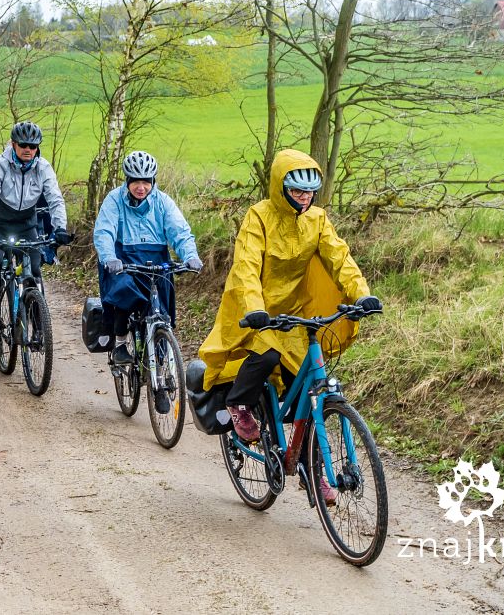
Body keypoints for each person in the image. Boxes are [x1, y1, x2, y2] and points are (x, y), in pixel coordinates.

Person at [197, 149, 381, 502]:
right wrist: (254, 309)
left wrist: (361, 295)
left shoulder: (318, 220)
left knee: (312, 387)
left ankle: (313, 470)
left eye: (309, 193)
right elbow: (246, 267)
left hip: (295, 313)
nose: (304, 199)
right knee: (265, 354)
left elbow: (339, 258)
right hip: (257, 310)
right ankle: (239, 404)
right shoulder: (259, 217)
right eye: (297, 193)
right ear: (280, 188)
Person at [93, 150, 203, 380]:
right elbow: (104, 231)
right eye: (135, 181)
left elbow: (179, 232)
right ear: (127, 181)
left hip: (156, 259)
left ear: (153, 181)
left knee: (162, 313)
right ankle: (121, 342)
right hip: (123, 259)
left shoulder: (163, 202)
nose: (141, 187)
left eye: (146, 182)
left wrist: (190, 256)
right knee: (124, 291)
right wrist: (109, 258)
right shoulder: (114, 200)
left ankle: (160, 371)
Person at [0, 121, 72, 340]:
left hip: (27, 224)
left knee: (34, 272)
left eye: (33, 145)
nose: (28, 149)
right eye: (23, 145)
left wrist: (60, 228)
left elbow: (55, 198)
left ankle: (39, 326)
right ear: (13, 144)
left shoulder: (43, 167)